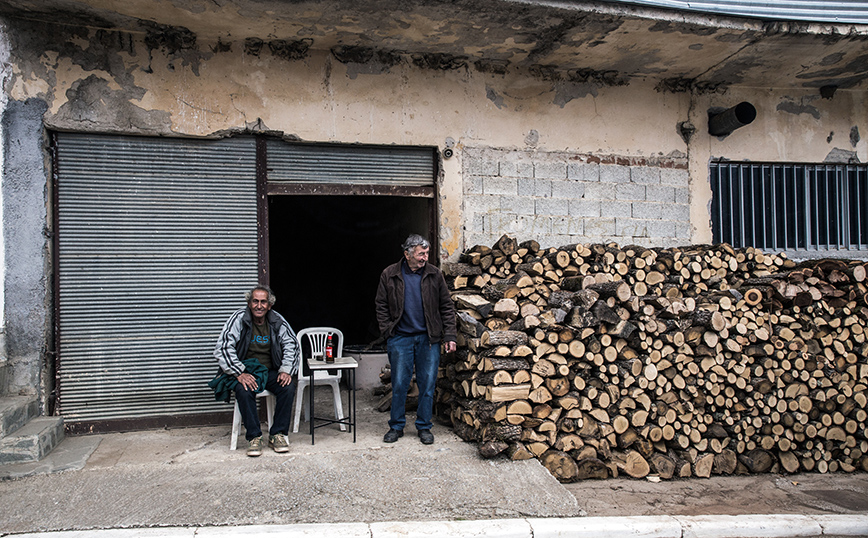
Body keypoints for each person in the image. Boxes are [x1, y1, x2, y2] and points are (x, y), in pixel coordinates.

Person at [375, 234, 457, 445]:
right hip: (400, 338)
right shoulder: (390, 274)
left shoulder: (434, 274)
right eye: (421, 254)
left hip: (428, 339)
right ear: (407, 254)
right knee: (400, 384)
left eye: (427, 253)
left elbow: (446, 306)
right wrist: (387, 331)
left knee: (427, 385)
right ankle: (396, 426)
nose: (425, 258)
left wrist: (449, 335)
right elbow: (381, 305)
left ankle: (424, 427)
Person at [214, 285, 300, 456]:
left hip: (269, 371)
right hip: (246, 371)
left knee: (288, 386)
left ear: (269, 305)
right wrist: (239, 372)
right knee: (243, 390)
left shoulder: (277, 321)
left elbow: (292, 345)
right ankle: (254, 437)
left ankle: (278, 434)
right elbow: (223, 347)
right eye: (255, 301)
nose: (259, 306)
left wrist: (285, 370)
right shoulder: (239, 319)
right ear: (249, 303)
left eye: (263, 302)